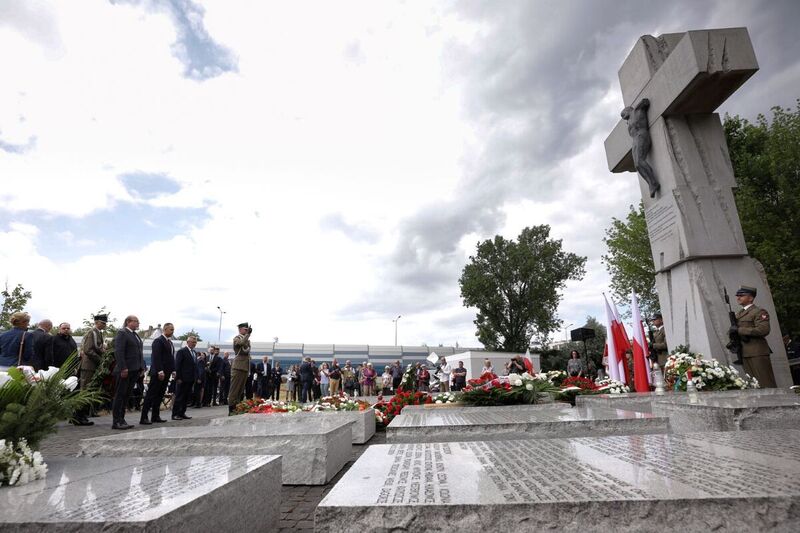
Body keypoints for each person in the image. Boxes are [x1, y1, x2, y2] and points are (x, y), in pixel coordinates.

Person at [731, 285, 777, 388]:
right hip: (745, 352)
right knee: (754, 384)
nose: (738, 297)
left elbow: (763, 330)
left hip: (757, 352)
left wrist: (739, 330)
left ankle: (774, 403)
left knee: (765, 382)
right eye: (737, 295)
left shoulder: (759, 311)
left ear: (751, 298)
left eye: (741, 295)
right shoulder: (739, 313)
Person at [111, 315, 145, 430]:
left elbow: (139, 352)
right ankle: (116, 421)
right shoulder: (122, 333)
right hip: (125, 370)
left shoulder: (135, 335)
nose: (138, 323)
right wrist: (123, 368)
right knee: (120, 395)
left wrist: (141, 367)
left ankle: (122, 419)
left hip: (134, 370)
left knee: (126, 396)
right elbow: (119, 352)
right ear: (128, 322)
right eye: (136, 321)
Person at [141, 322, 175, 425]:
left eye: (173, 330)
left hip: (167, 373)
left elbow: (171, 358)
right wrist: (160, 370)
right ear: (165, 329)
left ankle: (155, 416)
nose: (173, 331)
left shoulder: (170, 342)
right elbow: (156, 357)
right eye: (171, 329)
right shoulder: (158, 341)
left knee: (160, 395)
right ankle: (144, 417)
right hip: (158, 373)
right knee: (151, 394)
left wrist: (173, 370)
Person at [228, 322, 252, 413]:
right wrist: (248, 335)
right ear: (240, 329)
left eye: (247, 330)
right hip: (238, 367)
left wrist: (247, 336)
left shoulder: (247, 340)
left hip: (245, 367)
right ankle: (231, 410)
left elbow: (247, 351)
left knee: (240, 390)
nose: (247, 331)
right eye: (245, 330)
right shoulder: (236, 338)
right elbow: (241, 343)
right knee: (234, 390)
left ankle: (237, 408)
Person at [172, 336, 198, 420]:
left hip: (190, 379)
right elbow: (178, 365)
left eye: (195, 342)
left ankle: (182, 412)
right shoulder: (182, 351)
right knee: (179, 396)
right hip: (182, 379)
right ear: (188, 342)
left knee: (186, 397)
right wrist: (178, 378)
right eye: (193, 342)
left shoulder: (194, 352)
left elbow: (194, 366)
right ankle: (175, 414)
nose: (194, 344)